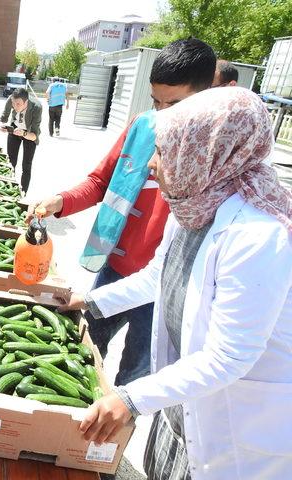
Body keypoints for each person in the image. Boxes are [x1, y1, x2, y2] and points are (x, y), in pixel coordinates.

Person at [73, 87, 292, 480]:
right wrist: (87, 301)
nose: (151, 164)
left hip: (230, 426)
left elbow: (230, 357)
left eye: (164, 151)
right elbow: (159, 277)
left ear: (204, 152)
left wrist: (131, 397)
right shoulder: (194, 203)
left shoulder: (257, 236)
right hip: (184, 403)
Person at [26, 39, 217, 386]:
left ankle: (108, 442)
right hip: (114, 268)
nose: (163, 115)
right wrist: (61, 201)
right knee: (81, 353)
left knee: (136, 380)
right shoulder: (141, 127)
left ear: (205, 97)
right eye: (156, 102)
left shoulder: (217, 153)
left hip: (165, 288)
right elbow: (101, 182)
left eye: (174, 104)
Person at [0, 87, 42, 194]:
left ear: (26, 102)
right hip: (15, 128)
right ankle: (8, 190)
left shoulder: (37, 107)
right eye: (13, 103)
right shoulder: (12, 99)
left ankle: (22, 193)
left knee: (26, 165)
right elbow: (3, 118)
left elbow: (35, 136)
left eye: (18, 104)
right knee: (10, 161)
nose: (15, 106)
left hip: (29, 132)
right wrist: (2, 126)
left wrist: (24, 133)